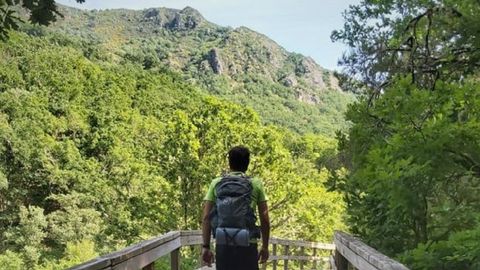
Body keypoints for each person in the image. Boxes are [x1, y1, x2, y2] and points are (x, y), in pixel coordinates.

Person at [202, 146, 270, 270]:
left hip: (223, 243)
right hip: (248, 244)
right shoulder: (255, 184)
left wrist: (206, 247)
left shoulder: (216, 183)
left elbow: (206, 218)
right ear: (247, 163)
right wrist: (265, 247)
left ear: (229, 163)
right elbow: (264, 219)